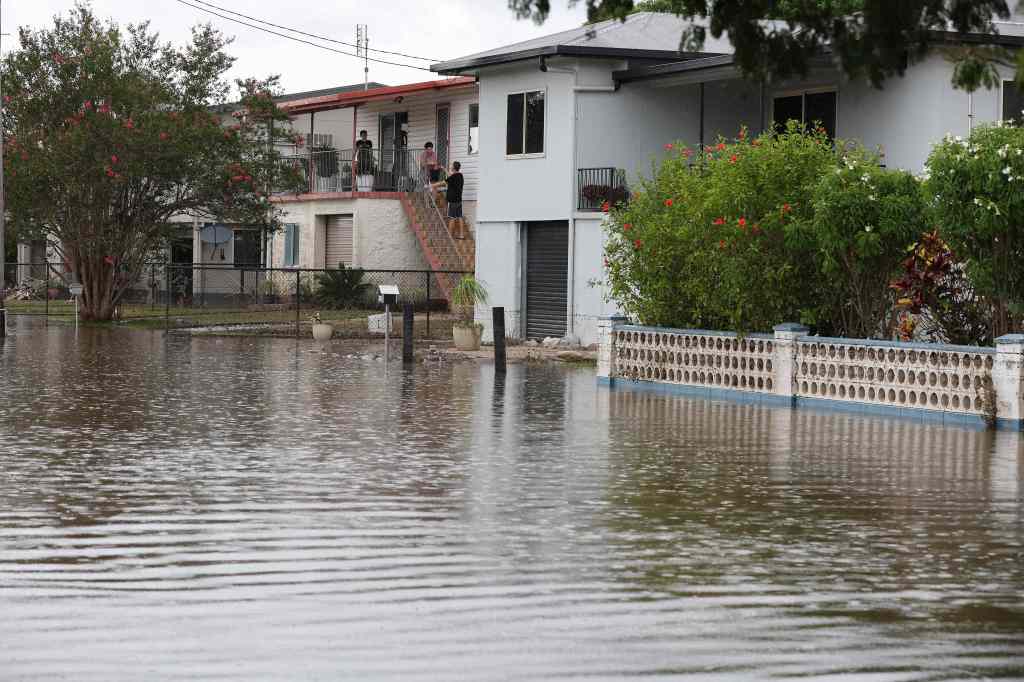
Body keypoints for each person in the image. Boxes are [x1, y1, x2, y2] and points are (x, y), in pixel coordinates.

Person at [446, 161, 466, 239]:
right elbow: (450, 177)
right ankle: (461, 235)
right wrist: (444, 169)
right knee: (460, 217)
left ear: (454, 167)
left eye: (451, 166)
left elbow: (444, 182)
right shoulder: (460, 176)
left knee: (452, 217)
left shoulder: (453, 177)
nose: (450, 167)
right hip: (459, 200)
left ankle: (450, 235)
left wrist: (432, 185)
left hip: (453, 201)